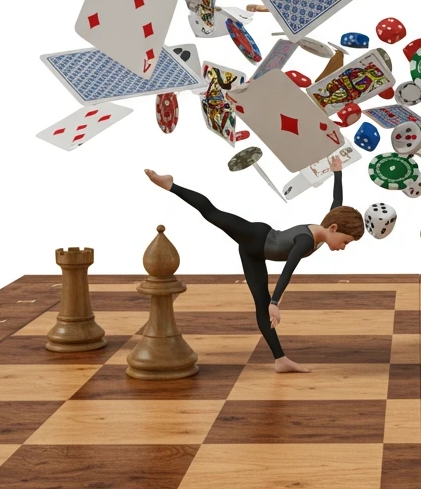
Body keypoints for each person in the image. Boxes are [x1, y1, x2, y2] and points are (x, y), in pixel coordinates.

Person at [145, 157, 363, 373]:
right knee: (212, 213)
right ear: (333, 228)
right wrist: (275, 302)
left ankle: (280, 360)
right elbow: (288, 270)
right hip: (254, 236)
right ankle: (170, 185)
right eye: (345, 242)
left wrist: (337, 172)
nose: (343, 247)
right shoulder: (306, 240)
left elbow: (337, 203)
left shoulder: (327, 229)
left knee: (261, 305)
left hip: (254, 254)